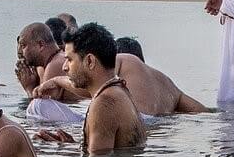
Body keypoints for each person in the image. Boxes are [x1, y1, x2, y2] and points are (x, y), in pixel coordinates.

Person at [33, 24, 144, 156]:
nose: (64, 67)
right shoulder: (119, 90)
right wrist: (72, 146)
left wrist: (63, 153)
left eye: (69, 59)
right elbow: (107, 155)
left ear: (90, 61)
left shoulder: (103, 105)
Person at [33, 48, 208, 117]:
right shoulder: (167, 83)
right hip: (155, 129)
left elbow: (93, 86)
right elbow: (202, 112)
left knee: (38, 106)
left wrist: (56, 81)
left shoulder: (123, 60)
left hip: (131, 122)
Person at [13, 22, 70, 95]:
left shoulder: (54, 65)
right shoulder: (52, 60)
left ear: (41, 45)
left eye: (23, 45)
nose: (20, 51)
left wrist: (29, 88)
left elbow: (42, 105)